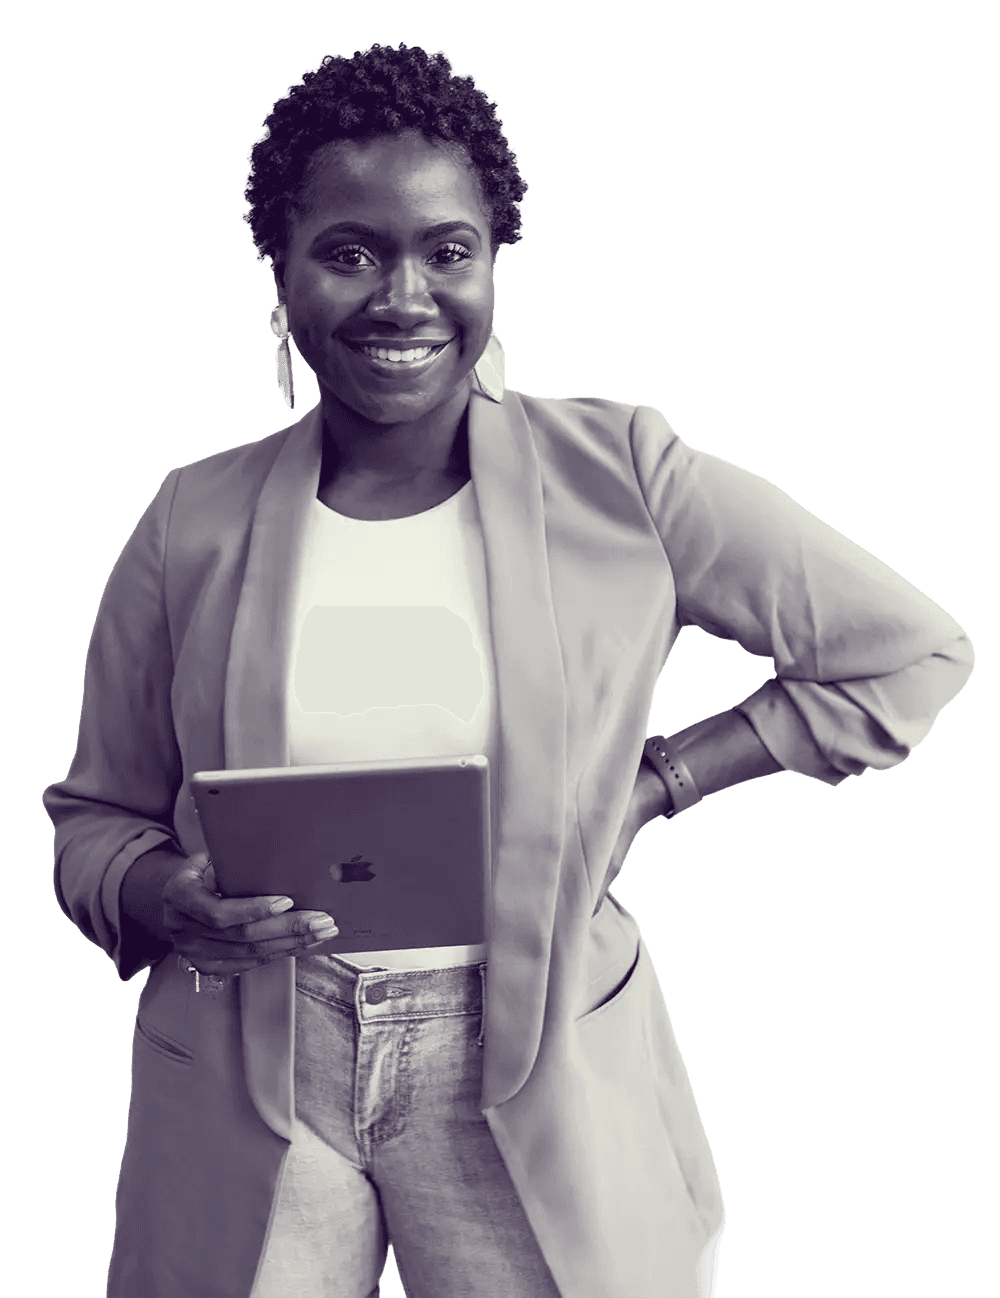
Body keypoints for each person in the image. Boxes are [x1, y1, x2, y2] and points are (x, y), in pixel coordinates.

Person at [42, 43, 974, 1298]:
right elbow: (93, 820)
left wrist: (660, 783)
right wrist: (166, 895)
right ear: (281, 269)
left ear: (492, 263)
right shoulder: (189, 517)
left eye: (447, 249)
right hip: (253, 1062)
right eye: (351, 250)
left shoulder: (624, 474)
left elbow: (907, 652)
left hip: (530, 1061)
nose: (402, 296)